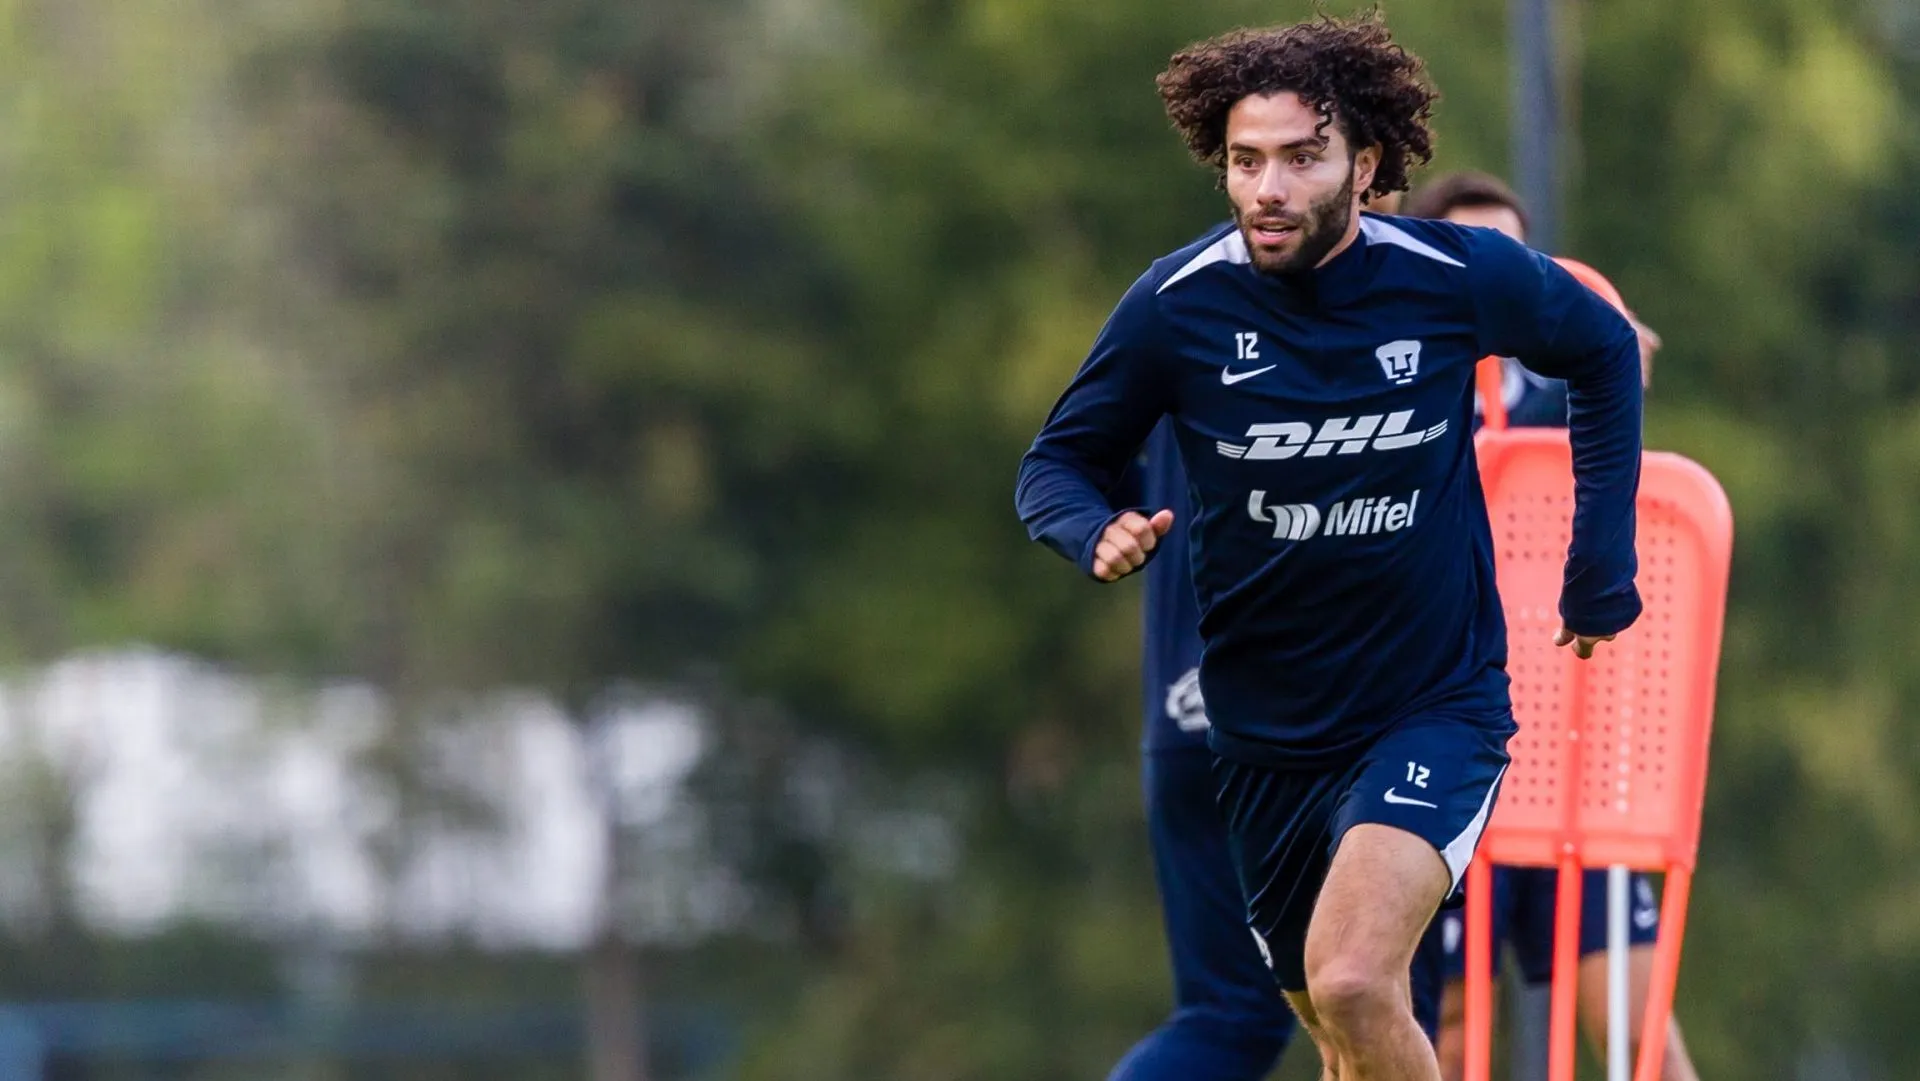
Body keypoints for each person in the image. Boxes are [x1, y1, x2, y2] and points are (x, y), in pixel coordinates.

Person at [1014, 14, 1644, 1081]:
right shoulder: (1178, 306)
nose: (1269, 188)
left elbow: (1602, 348)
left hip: (1431, 709)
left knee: (1355, 977)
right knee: (1340, 1038)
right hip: (1263, 742)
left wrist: (1600, 571)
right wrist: (1094, 529)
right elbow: (1055, 467)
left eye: (1301, 158)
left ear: (1365, 166)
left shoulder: (1450, 275)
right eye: (1245, 161)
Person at [1400, 171, 1702, 1081]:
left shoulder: (1567, 377)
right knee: (1446, 1037)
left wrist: (1618, 366)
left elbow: (1608, 414)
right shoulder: (1402, 388)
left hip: (1567, 765)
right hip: (1448, 767)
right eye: (1470, 252)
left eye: (1512, 255)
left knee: (1643, 1040)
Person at [1106, 414, 1444, 1081]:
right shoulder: (1378, 317)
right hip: (1329, 727)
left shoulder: (1166, 314)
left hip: (1185, 714)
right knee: (1379, 1003)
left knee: (1227, 1016)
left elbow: (1094, 464)